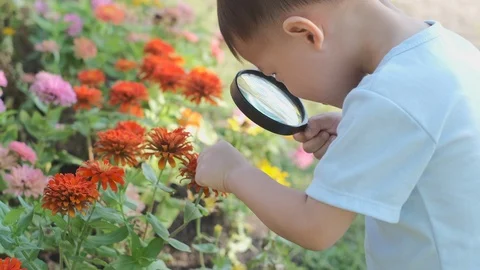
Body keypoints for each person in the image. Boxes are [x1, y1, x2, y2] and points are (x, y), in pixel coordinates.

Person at [195, 0, 480, 269]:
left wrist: (233, 172)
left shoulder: (389, 101)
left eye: (275, 74)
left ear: (306, 34)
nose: (285, 87)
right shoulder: (450, 49)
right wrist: (363, 131)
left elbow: (314, 227)